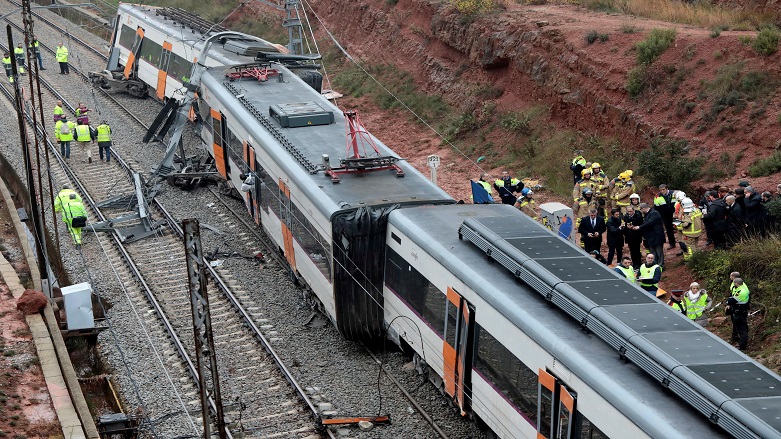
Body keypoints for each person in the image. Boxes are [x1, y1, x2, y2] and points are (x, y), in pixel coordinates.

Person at [635, 203, 666, 267]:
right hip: (651, 236)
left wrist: (639, 227)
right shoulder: (647, 214)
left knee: (659, 251)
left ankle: (660, 265)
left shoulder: (654, 213)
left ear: (643, 208)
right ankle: (654, 264)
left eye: (641, 209)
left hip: (657, 235)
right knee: (653, 251)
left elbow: (649, 223)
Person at [727, 277, 750, 350]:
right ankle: (742, 343)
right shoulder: (744, 287)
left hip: (739, 312)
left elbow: (731, 300)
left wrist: (728, 301)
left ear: (736, 284)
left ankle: (742, 346)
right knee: (743, 329)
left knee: (742, 330)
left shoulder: (741, 292)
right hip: (742, 311)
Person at [653, 184, 676, 249]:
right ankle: (672, 243)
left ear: (667, 189)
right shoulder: (657, 196)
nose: (662, 191)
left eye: (663, 189)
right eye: (661, 190)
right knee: (669, 230)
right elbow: (656, 208)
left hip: (675, 214)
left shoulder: (674, 193)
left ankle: (683, 243)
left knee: (680, 229)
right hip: (665, 215)